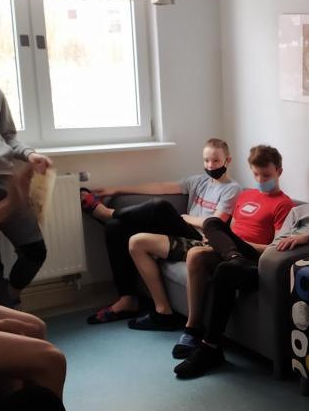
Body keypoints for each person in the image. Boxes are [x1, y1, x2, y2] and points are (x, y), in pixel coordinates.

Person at [174, 162, 309, 379]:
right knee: (212, 223)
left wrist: (306, 237)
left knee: (226, 271)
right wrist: (238, 245)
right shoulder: (299, 211)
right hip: (262, 256)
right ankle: (234, 256)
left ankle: (209, 348)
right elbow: (274, 245)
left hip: (274, 271)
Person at [81, 138, 240, 328]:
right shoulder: (199, 181)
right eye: (206, 160)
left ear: (228, 161)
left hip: (201, 239)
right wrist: (115, 189)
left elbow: (214, 223)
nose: (210, 165)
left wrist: (186, 218)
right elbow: (160, 187)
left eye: (215, 160)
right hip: (184, 231)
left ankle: (107, 213)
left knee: (161, 207)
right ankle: (127, 298)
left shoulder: (232, 189)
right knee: (115, 228)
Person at [172, 144, 294, 359]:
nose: (261, 180)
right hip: (231, 252)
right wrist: (221, 241)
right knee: (203, 239)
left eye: (266, 175)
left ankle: (234, 257)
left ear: (279, 172)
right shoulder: (246, 196)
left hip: (252, 257)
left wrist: (236, 244)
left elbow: (274, 249)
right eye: (256, 174)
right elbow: (233, 230)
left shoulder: (284, 204)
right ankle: (192, 328)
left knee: (216, 234)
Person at [0, 86, 53, 305]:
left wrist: (30, 155)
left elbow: (8, 137)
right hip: (8, 186)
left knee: (34, 251)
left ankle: (11, 299)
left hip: (4, 178)